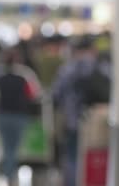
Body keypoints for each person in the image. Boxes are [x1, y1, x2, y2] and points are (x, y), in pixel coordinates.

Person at [52, 37, 97, 186]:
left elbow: (56, 93)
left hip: (71, 119)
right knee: (94, 155)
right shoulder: (100, 67)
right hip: (96, 122)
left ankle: (72, 182)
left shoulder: (67, 69)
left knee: (71, 154)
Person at [0, 48, 42, 184]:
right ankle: (10, 174)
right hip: (19, 115)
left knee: (7, 146)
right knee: (15, 147)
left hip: (3, 115)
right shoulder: (25, 75)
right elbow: (35, 94)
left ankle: (8, 173)